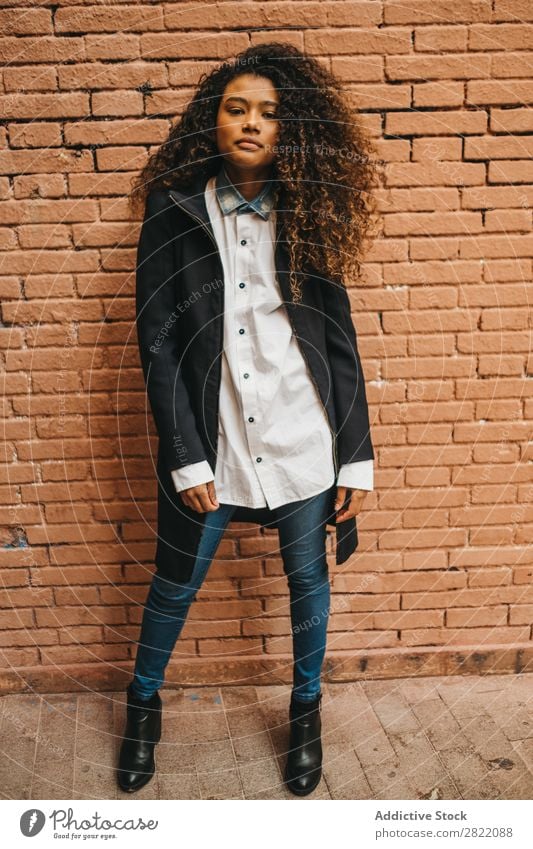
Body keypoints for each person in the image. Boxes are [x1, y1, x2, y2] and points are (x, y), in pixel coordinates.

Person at [117, 42, 378, 797]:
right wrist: (186, 455)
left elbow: (337, 339)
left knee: (308, 586)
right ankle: (141, 708)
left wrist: (354, 455)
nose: (252, 123)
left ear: (289, 129)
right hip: (215, 440)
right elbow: (157, 343)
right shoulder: (170, 212)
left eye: (269, 112)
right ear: (213, 117)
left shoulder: (309, 211)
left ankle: (305, 714)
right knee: (174, 584)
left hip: (302, 439)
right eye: (237, 107)